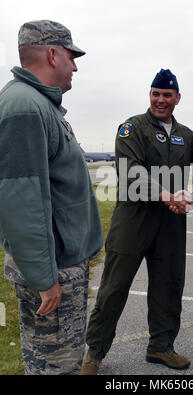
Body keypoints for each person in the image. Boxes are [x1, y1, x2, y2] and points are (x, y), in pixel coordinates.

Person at [81, 69, 193, 374]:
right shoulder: (132, 129)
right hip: (133, 220)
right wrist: (168, 195)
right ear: (150, 95)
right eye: (155, 94)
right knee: (114, 287)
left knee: (169, 286)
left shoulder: (186, 135)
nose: (160, 100)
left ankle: (161, 347)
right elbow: (132, 172)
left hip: (170, 224)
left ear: (177, 99)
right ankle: (95, 352)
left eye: (167, 95)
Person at [0, 20, 103, 375]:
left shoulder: (37, 104)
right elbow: (22, 202)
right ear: (52, 53)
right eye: (72, 56)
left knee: (62, 362)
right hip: (52, 269)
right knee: (53, 366)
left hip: (59, 263)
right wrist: (45, 279)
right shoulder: (25, 108)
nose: (75, 65)